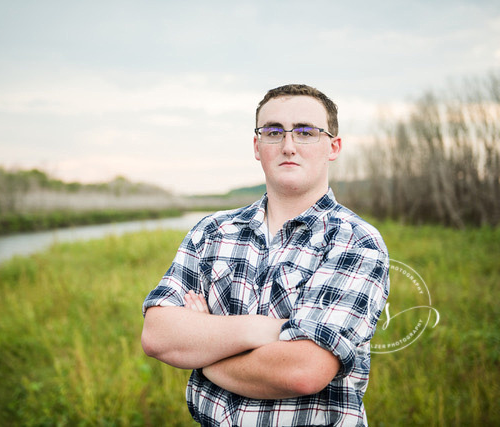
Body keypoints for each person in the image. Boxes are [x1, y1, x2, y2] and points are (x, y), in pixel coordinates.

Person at [141, 84, 390, 426]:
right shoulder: (211, 231)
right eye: (273, 132)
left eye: (306, 132)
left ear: (333, 147)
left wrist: (203, 351)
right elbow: (158, 336)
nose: (288, 145)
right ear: (257, 147)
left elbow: (304, 370)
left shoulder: (355, 241)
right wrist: (263, 330)